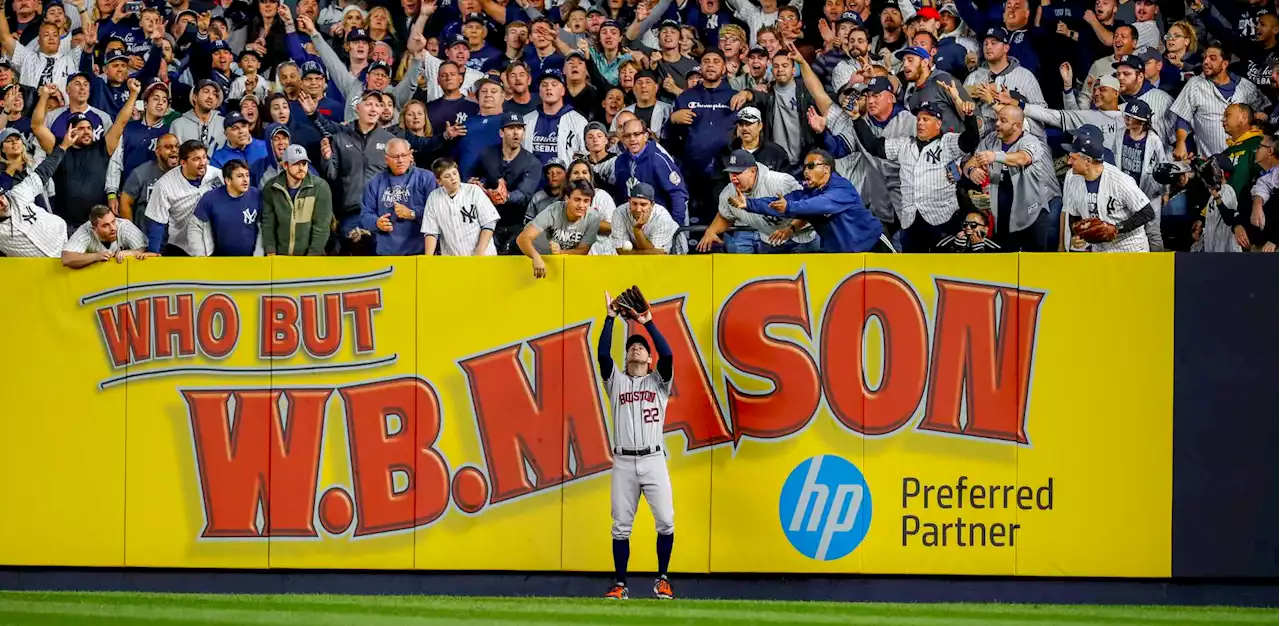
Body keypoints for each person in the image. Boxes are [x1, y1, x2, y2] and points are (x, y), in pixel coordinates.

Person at [596, 288, 676, 601]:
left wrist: (648, 324)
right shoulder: (615, 381)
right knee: (620, 526)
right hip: (624, 462)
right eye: (632, 347)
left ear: (649, 357)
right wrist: (609, 318)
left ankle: (664, 579)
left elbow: (668, 355)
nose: (636, 350)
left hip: (654, 460)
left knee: (666, 521)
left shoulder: (659, 381)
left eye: (641, 347)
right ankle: (619, 584)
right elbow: (603, 355)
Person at [853, 88, 979, 252]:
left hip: (943, 222)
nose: (920, 123)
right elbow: (874, 146)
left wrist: (970, 117)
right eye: (919, 119)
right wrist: (856, 118)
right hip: (911, 224)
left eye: (926, 119)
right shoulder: (904, 144)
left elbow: (970, 140)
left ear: (938, 124)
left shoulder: (947, 143)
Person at [734, 149, 889, 253]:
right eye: (804, 167)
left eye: (811, 166)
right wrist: (749, 204)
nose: (805, 171)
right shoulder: (808, 193)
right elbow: (778, 202)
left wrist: (789, 207)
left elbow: (818, 205)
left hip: (874, 247)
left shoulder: (842, 188)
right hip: (842, 256)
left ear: (826, 169)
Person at [963, 104, 1059, 251]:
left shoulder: (1030, 141)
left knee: (1035, 262)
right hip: (1004, 214)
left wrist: (995, 156)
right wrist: (971, 170)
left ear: (1017, 126)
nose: (997, 123)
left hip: (1032, 214)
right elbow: (970, 163)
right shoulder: (991, 140)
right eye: (997, 119)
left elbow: (1023, 158)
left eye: (1003, 120)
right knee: (1005, 260)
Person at [697, 149, 814, 253]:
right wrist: (711, 231)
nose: (734, 177)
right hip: (771, 243)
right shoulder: (728, 193)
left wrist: (790, 229)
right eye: (731, 172)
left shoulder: (780, 182)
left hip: (802, 240)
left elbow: (808, 209)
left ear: (753, 171)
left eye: (738, 173)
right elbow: (725, 215)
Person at [1061, 129, 1155, 252]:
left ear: (1088, 161)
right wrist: (1077, 235)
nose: (1069, 162)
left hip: (1130, 249)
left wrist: (1117, 228)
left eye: (1073, 158)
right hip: (1100, 251)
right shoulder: (1074, 179)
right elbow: (1074, 216)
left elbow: (1147, 212)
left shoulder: (1120, 181)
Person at [0, 129, 75, 257]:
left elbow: (44, 172)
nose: (14, 143)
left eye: (17, 139)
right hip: (38, 261)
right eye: (8, 141)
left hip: (62, 235)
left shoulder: (29, 172)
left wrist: (63, 146)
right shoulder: (2, 175)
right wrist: (10, 171)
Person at [476, 112, 542, 253]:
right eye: (511, 128)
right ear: (501, 133)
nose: (516, 132)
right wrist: (482, 189)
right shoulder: (487, 155)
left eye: (519, 128)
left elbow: (525, 194)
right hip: (488, 222)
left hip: (517, 224)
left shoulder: (532, 162)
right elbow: (474, 178)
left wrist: (504, 196)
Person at [146, 140, 224, 256]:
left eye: (204, 157)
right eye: (196, 159)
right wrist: (153, 252)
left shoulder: (218, 175)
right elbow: (157, 222)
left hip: (215, 243)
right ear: (183, 162)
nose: (203, 163)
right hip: (181, 246)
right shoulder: (164, 185)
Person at [361, 138, 438, 256]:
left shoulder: (426, 178)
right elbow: (365, 214)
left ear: (410, 155)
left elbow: (437, 213)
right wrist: (376, 223)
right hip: (387, 252)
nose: (400, 160)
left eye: (404, 155)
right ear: (386, 159)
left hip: (420, 251)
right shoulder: (375, 182)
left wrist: (412, 214)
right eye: (395, 157)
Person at [518, 179, 602, 275]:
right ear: (567, 199)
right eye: (577, 199)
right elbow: (522, 239)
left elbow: (583, 250)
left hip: (557, 262)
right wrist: (535, 257)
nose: (581, 205)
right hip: (531, 254)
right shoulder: (553, 211)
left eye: (586, 201)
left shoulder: (593, 217)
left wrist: (561, 252)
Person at [261, 145, 333, 256]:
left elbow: (321, 227)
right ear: (285, 165)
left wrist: (312, 256)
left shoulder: (320, 187)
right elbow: (268, 223)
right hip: (280, 257)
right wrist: (270, 251)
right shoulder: (271, 188)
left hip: (309, 259)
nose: (301, 167)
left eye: (304, 163)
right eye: (296, 163)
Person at [422, 158, 499, 256]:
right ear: (439, 181)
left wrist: (479, 251)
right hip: (452, 259)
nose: (453, 178)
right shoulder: (433, 197)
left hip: (483, 256)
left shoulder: (474, 191)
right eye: (447, 176)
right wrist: (428, 259)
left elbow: (489, 223)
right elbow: (431, 232)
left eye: (454, 173)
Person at [187, 159, 263, 257]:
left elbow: (265, 226)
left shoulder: (257, 195)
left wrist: (259, 255)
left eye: (247, 175)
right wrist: (200, 255)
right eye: (240, 176)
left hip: (252, 261)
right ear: (228, 180)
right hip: (218, 261)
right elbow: (195, 226)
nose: (245, 180)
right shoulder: (211, 198)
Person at [521, 70, 588, 167]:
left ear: (563, 91)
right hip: (533, 180)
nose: (548, 88)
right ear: (539, 92)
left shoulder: (578, 121)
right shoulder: (526, 121)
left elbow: (585, 156)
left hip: (565, 180)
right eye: (544, 85)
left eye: (554, 84)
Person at [62, 204, 153, 269]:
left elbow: (146, 250)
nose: (113, 228)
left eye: (113, 221)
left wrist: (133, 253)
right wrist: (96, 257)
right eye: (106, 225)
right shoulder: (86, 230)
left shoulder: (124, 225)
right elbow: (67, 258)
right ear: (94, 229)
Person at [120, 133, 179, 233]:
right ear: (157, 151)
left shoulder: (185, 172)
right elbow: (124, 203)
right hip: (146, 235)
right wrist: (132, 235)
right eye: (168, 147)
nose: (174, 150)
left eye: (177, 146)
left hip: (175, 238)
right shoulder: (141, 173)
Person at [612, 182, 681, 255]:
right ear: (629, 201)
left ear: (652, 205)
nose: (638, 209)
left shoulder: (662, 217)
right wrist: (638, 229)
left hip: (675, 253)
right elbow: (620, 250)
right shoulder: (619, 212)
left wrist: (637, 229)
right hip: (639, 255)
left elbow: (656, 256)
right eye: (634, 203)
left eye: (643, 204)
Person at [936, 209, 1002, 252]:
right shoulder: (945, 242)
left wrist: (979, 250)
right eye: (965, 224)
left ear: (985, 229)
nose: (968, 227)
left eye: (973, 224)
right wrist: (956, 247)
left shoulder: (994, 248)